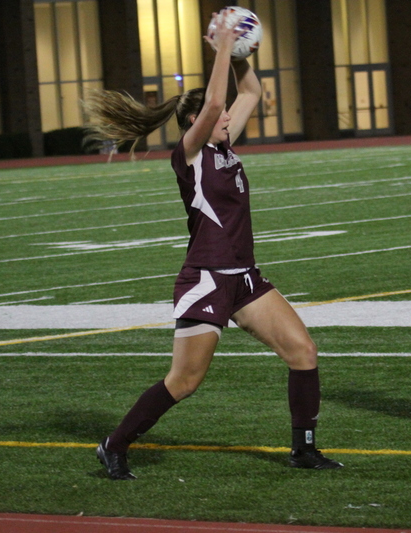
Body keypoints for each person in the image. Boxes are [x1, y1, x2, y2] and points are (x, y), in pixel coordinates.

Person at [83, 12, 342, 479]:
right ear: (195, 122)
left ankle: (304, 449)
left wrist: (244, 55)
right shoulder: (190, 150)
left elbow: (249, 94)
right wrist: (222, 45)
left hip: (243, 278)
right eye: (218, 117)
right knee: (184, 381)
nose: (228, 119)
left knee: (303, 352)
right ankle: (114, 444)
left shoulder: (223, 146)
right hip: (206, 279)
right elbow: (219, 100)